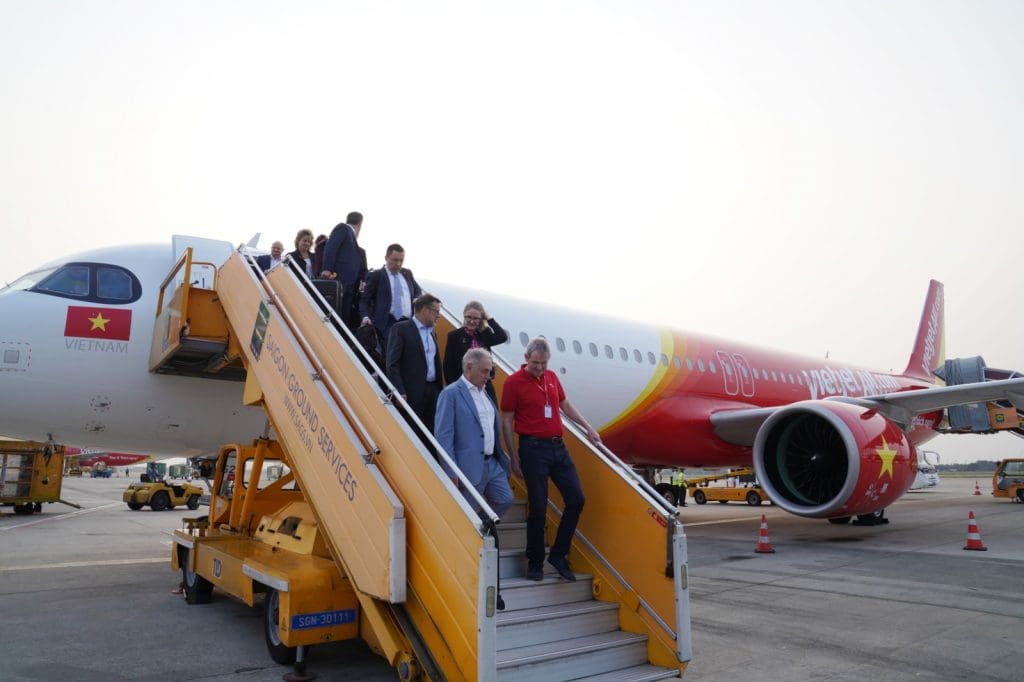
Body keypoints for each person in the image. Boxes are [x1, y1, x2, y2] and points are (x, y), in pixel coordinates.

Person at [501, 337, 600, 582]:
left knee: (576, 499)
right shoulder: (514, 383)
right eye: (536, 363)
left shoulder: (552, 378)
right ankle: (535, 562)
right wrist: (513, 457)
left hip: (558, 446)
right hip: (532, 449)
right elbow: (506, 419)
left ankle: (558, 554)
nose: (540, 368)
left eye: (544, 364)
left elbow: (565, 404)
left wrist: (588, 427)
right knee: (538, 507)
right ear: (526, 359)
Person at [434, 348, 514, 517]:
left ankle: (482, 525)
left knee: (505, 499)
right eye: (485, 371)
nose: (488, 375)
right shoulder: (451, 394)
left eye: (490, 371)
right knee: (464, 515)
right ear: (469, 368)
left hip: (492, 464)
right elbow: (443, 436)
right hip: (467, 466)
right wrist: (450, 471)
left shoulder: (484, 393)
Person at [386, 294, 443, 431]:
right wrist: (399, 391)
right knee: (411, 430)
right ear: (425, 310)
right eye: (437, 311)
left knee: (432, 430)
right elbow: (392, 363)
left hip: (433, 391)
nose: (438, 316)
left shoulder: (432, 332)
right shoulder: (401, 328)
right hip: (411, 392)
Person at [360, 244, 422, 352]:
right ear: (386, 258)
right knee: (393, 355)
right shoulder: (376, 276)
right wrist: (365, 316)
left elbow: (417, 290)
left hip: (409, 322)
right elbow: (364, 300)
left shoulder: (407, 273)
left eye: (401, 261)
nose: (398, 264)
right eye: (394, 260)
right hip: (388, 324)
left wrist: (416, 299)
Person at [442, 300, 508, 402]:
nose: (472, 321)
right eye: (469, 317)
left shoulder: (484, 334)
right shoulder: (454, 336)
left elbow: (502, 337)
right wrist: (455, 389)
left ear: (481, 320)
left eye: (476, 318)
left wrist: (489, 318)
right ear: (464, 315)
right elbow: (448, 366)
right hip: (464, 387)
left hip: (485, 386)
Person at [319, 211, 363, 328]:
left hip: (349, 286)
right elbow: (331, 247)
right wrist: (327, 269)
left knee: (343, 318)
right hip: (339, 281)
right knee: (335, 316)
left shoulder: (352, 237)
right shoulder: (343, 228)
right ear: (360, 224)